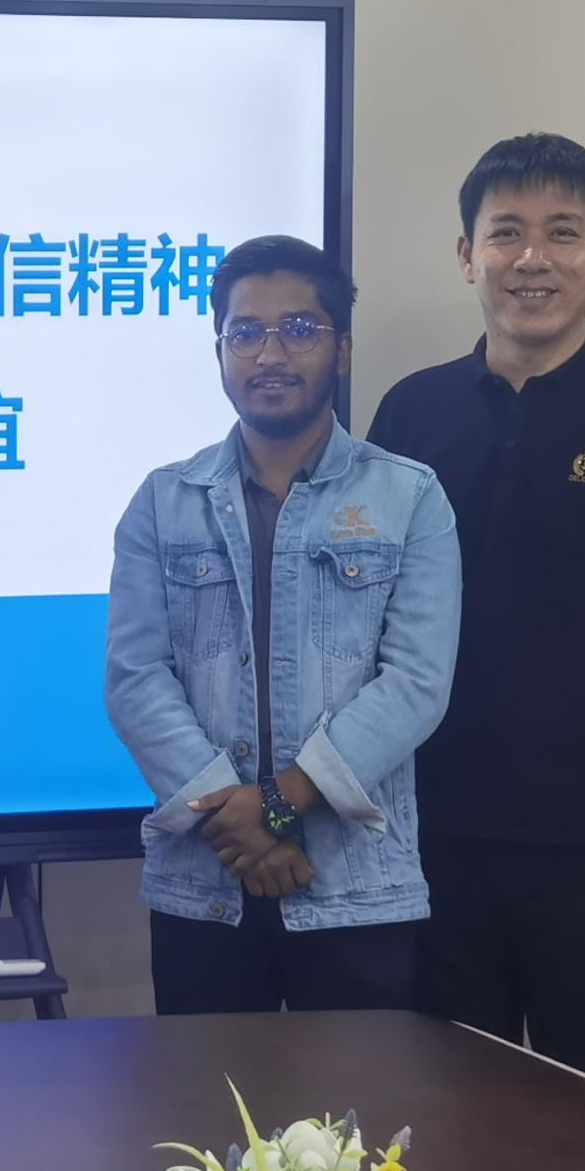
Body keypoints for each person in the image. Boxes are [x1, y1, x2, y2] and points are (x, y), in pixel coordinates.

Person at [366, 135, 585, 1084]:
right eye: (506, 233)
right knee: (444, 1110)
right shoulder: (411, 413)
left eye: (563, 234)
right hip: (432, 830)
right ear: (466, 254)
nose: (533, 259)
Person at [106, 235, 458, 1014]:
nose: (270, 354)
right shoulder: (162, 502)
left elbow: (416, 683)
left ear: (343, 349)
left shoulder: (410, 497)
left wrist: (277, 805)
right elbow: (136, 680)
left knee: (359, 1098)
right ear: (219, 352)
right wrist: (236, 821)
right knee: (206, 1094)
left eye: (299, 329)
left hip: (355, 885)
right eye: (246, 332)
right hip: (206, 886)